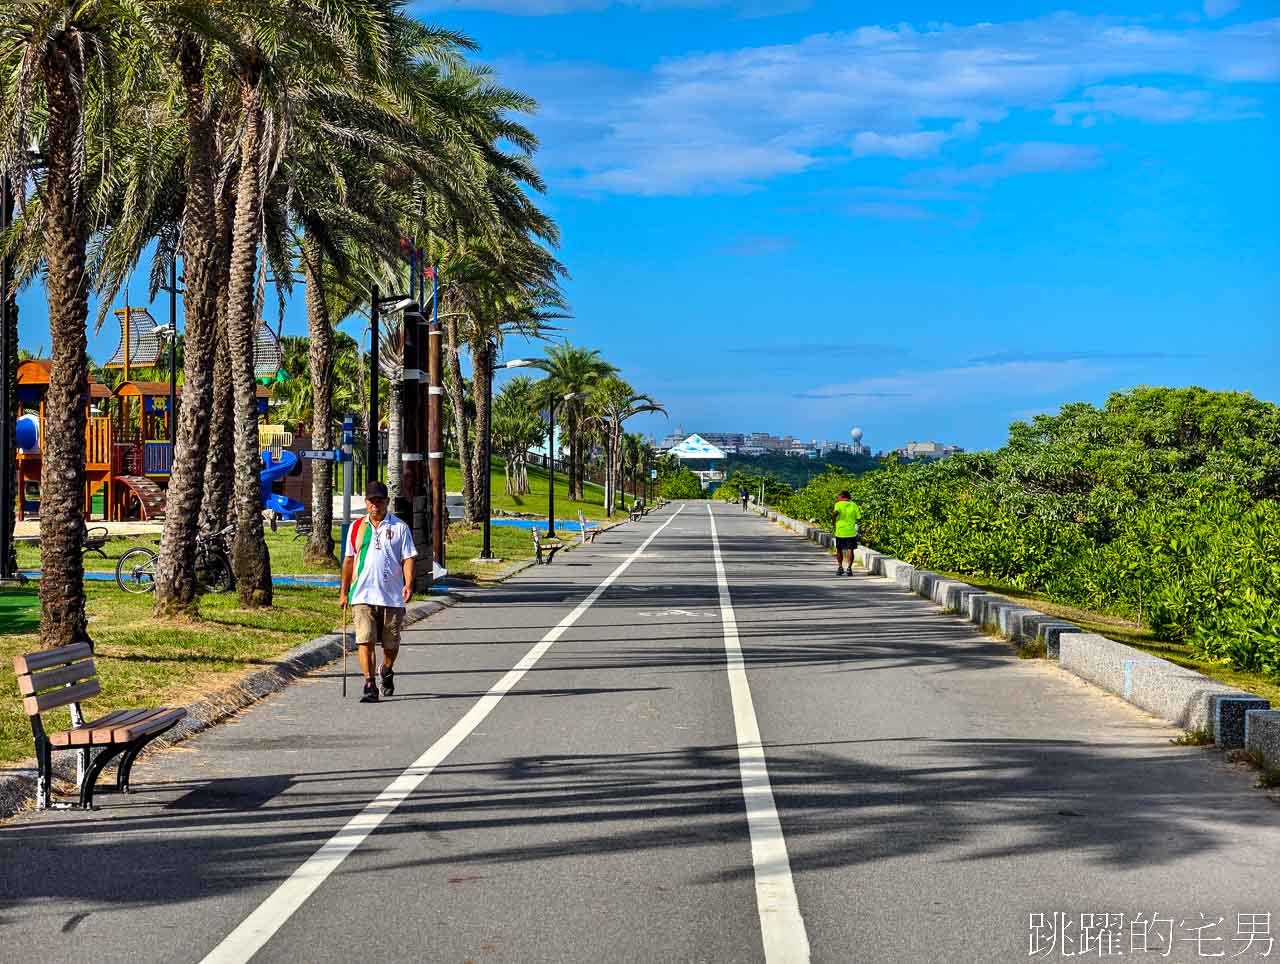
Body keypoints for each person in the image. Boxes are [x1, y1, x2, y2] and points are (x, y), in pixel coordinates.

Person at [340, 481, 418, 703]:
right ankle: (369, 683)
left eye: (380, 501)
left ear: (387, 502)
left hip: (391, 596)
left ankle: (386, 669)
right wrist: (344, 592)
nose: (376, 505)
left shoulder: (399, 527)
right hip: (362, 595)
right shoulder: (357, 528)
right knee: (364, 640)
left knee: (391, 644)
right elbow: (348, 561)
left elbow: (408, 558)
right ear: (366, 503)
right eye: (372, 501)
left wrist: (408, 584)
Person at [831, 489, 863, 577]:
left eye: (839, 496)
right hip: (851, 531)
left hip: (840, 531)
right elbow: (859, 517)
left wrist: (833, 521)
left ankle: (840, 567)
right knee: (850, 549)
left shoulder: (838, 504)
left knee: (839, 549)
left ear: (841, 497)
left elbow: (835, 512)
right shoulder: (854, 505)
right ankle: (849, 568)